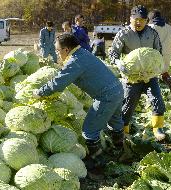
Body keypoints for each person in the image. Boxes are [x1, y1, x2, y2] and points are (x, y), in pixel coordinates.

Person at [34, 33, 124, 174]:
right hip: (117, 89)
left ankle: (98, 161)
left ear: (66, 49)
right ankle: (121, 151)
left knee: (89, 130)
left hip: (106, 96)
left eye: (58, 51)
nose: (57, 54)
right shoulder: (83, 53)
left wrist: (40, 92)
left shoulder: (75, 60)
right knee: (115, 121)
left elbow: (58, 83)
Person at [109, 5, 166, 141]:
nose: (139, 22)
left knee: (157, 99)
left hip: (150, 75)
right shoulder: (123, 34)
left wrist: (155, 69)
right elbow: (113, 54)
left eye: (142, 19)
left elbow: (159, 52)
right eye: (136, 19)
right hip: (131, 76)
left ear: (147, 20)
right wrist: (118, 63)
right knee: (128, 104)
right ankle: (124, 130)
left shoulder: (152, 33)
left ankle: (158, 129)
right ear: (130, 19)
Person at [148, 9, 171, 94]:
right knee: (164, 73)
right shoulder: (169, 28)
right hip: (166, 55)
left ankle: (153, 92)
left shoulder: (149, 28)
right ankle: (170, 84)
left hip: (153, 55)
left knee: (150, 75)